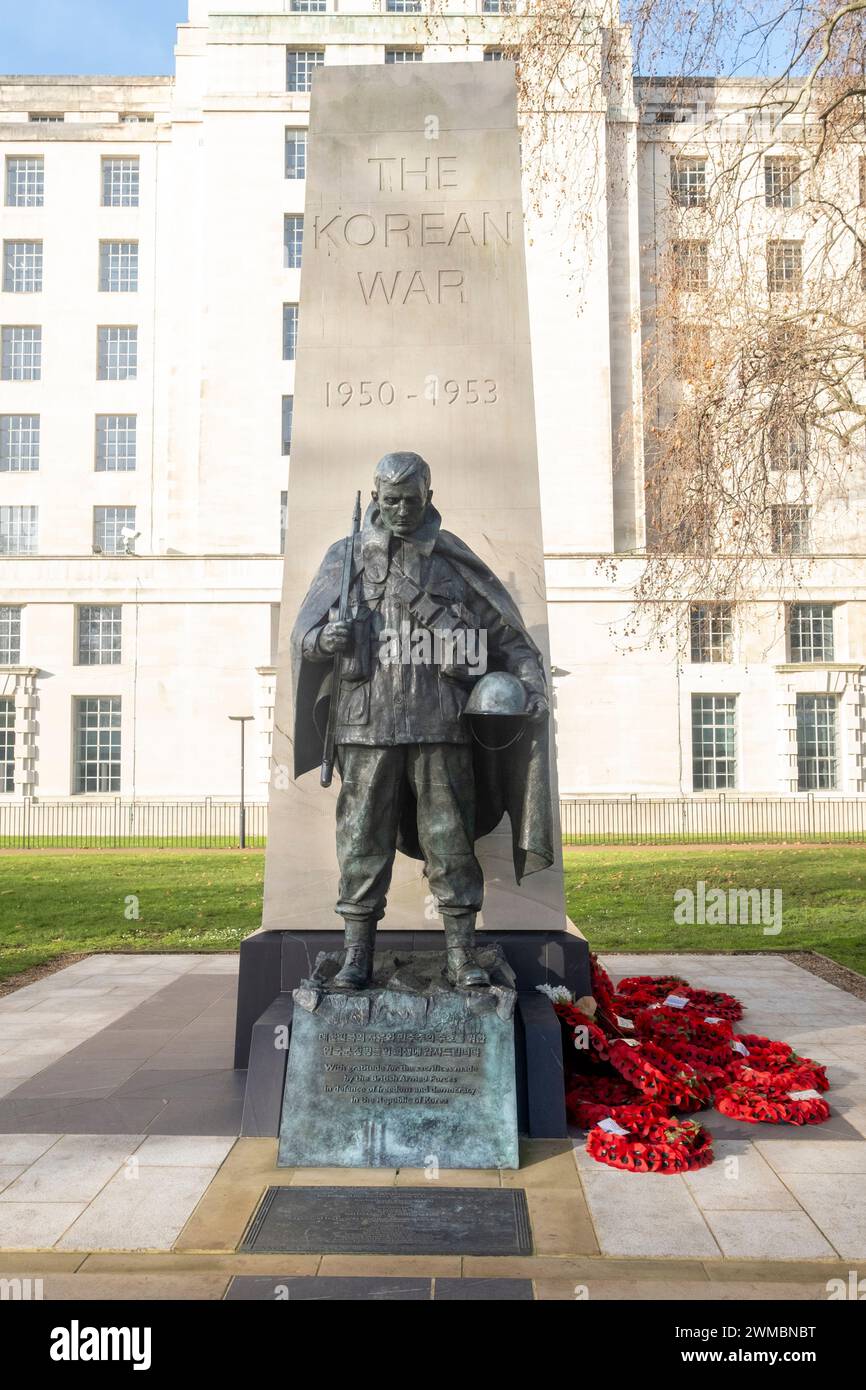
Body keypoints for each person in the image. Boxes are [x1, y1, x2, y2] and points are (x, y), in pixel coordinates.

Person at [291, 451, 553, 989]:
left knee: (449, 841)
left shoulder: (452, 561)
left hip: (441, 724)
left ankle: (462, 954)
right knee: (362, 841)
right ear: (376, 497)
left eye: (412, 500)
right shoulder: (346, 559)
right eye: (391, 501)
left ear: (429, 497)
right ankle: (356, 955)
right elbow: (303, 636)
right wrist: (324, 639)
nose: (402, 510)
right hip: (366, 726)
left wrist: (532, 684)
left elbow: (507, 637)